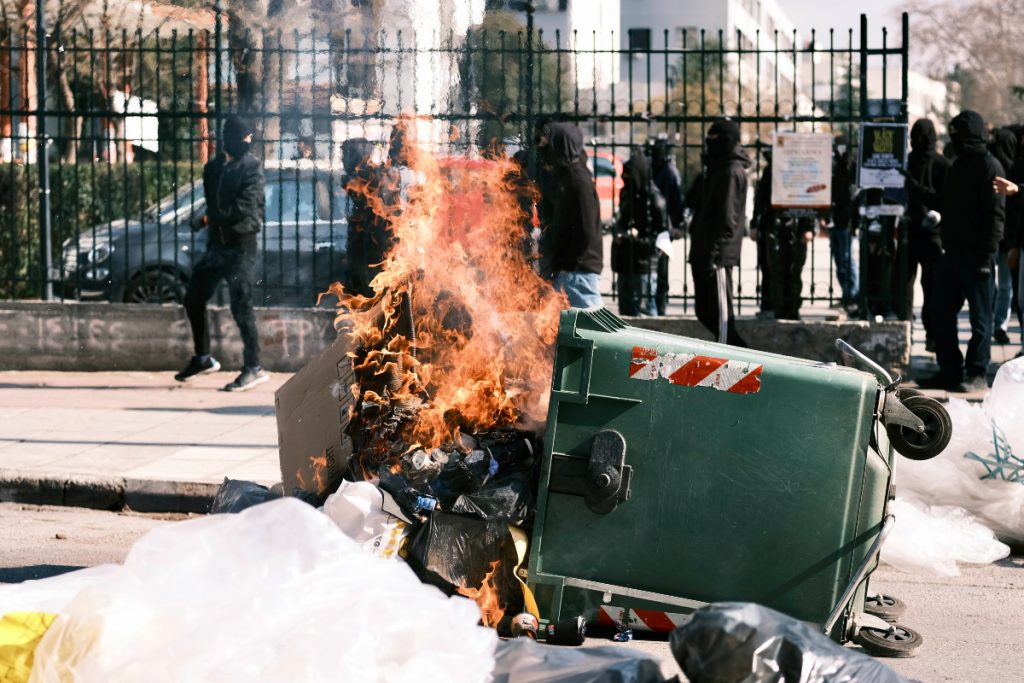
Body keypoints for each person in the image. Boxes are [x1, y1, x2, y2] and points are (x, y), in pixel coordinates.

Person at [176, 114, 268, 391]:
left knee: (241, 306)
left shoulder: (252, 167)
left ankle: (254, 367)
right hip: (218, 245)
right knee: (193, 298)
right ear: (231, 139)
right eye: (245, 137)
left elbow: (244, 208)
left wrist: (207, 219)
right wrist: (208, 219)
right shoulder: (214, 168)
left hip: (242, 245)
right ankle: (203, 358)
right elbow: (215, 204)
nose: (249, 141)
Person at [922, 111, 1005, 392]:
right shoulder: (957, 166)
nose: (954, 140)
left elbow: (995, 217)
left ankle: (977, 372)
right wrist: (915, 189)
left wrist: (985, 256)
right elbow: (946, 203)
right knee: (939, 312)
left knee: (981, 319)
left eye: (958, 135)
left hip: (977, 256)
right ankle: (950, 371)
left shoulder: (989, 167)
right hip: (953, 254)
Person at [688, 118, 750, 346]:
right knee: (705, 312)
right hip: (704, 251)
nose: (709, 143)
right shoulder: (716, 169)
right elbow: (695, 200)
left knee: (723, 323)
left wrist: (712, 256)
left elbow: (727, 219)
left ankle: (740, 365)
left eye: (714, 140)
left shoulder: (731, 171)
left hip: (717, 258)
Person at [537, 122, 603, 308]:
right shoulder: (567, 179)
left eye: (546, 143)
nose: (542, 148)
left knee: (592, 334)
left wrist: (568, 263)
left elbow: (586, 231)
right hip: (569, 272)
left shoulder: (578, 181)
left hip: (577, 275)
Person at [902, 119, 951, 350]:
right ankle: (924, 333)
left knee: (914, 285)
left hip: (921, 232)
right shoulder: (940, 163)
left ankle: (914, 331)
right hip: (927, 233)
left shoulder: (910, 163)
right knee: (922, 286)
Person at [753, 148, 814, 321]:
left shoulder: (801, 170)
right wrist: (755, 225)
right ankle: (775, 307)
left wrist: (808, 226)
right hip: (774, 224)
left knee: (794, 270)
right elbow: (761, 198)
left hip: (796, 225)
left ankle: (792, 308)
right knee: (773, 270)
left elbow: (809, 198)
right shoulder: (770, 171)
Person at [612, 148, 668, 315]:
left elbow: (661, 241)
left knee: (645, 313)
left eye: (629, 176)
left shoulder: (654, 200)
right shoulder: (626, 194)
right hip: (624, 263)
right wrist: (620, 233)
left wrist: (633, 239)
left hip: (643, 266)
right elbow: (620, 221)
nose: (625, 180)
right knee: (626, 315)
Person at [342, 138, 399, 298]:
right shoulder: (372, 175)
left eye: (346, 154)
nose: (343, 159)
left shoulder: (369, 176)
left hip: (374, 243)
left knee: (371, 290)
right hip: (369, 242)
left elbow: (378, 215)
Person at [649, 137, 686, 315]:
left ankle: (660, 305)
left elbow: (676, 200)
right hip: (657, 226)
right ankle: (657, 303)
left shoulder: (668, 172)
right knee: (655, 268)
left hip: (665, 228)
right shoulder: (659, 169)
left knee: (661, 269)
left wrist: (677, 225)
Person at [989, 127, 1018, 345]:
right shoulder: (1008, 169)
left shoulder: (997, 169)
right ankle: (999, 324)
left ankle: (998, 324)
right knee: (1004, 286)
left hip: (1000, 238)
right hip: (1005, 239)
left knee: (998, 285)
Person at [829, 141, 859, 310]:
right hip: (837, 218)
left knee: (847, 258)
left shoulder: (851, 168)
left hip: (846, 219)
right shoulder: (834, 167)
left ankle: (853, 294)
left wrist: (854, 221)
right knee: (839, 259)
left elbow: (853, 196)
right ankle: (846, 293)